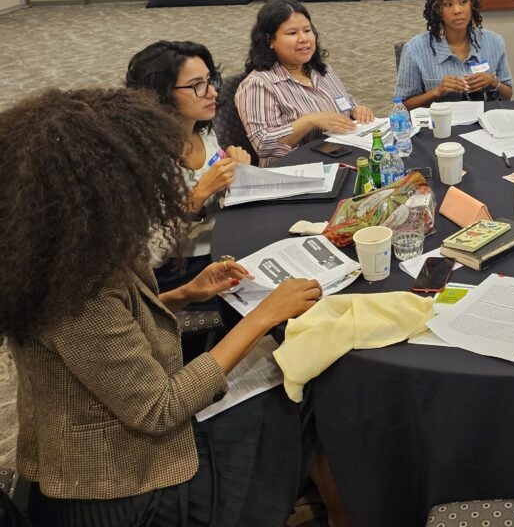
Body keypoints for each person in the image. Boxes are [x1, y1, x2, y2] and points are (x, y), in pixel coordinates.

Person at [0, 87, 324, 526]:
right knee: (298, 380)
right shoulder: (76, 290)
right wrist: (265, 314)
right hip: (124, 488)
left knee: (278, 367)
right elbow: (159, 410)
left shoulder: (57, 251)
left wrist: (182, 294)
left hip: (117, 441)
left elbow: (110, 337)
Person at [126, 40, 251, 291]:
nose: (213, 92)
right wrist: (199, 195)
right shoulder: (143, 158)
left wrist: (235, 170)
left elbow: (218, 190)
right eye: (196, 86)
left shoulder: (202, 129)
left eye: (210, 79)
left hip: (222, 238)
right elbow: (148, 257)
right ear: (159, 95)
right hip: (183, 269)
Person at [236, 0, 374, 165]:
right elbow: (263, 145)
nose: (304, 39)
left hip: (340, 156)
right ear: (269, 41)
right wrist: (309, 121)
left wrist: (357, 110)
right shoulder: (258, 84)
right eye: (292, 33)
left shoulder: (321, 70)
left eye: (307, 30)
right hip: (294, 170)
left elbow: (345, 103)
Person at [395, 0, 514, 110]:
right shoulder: (415, 49)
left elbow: (508, 95)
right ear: (437, 9)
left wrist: (493, 82)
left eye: (463, 2)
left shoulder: (494, 42)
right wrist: (437, 92)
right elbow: (402, 106)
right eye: (448, 4)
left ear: (471, 4)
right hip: (439, 127)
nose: (457, 10)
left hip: (484, 125)